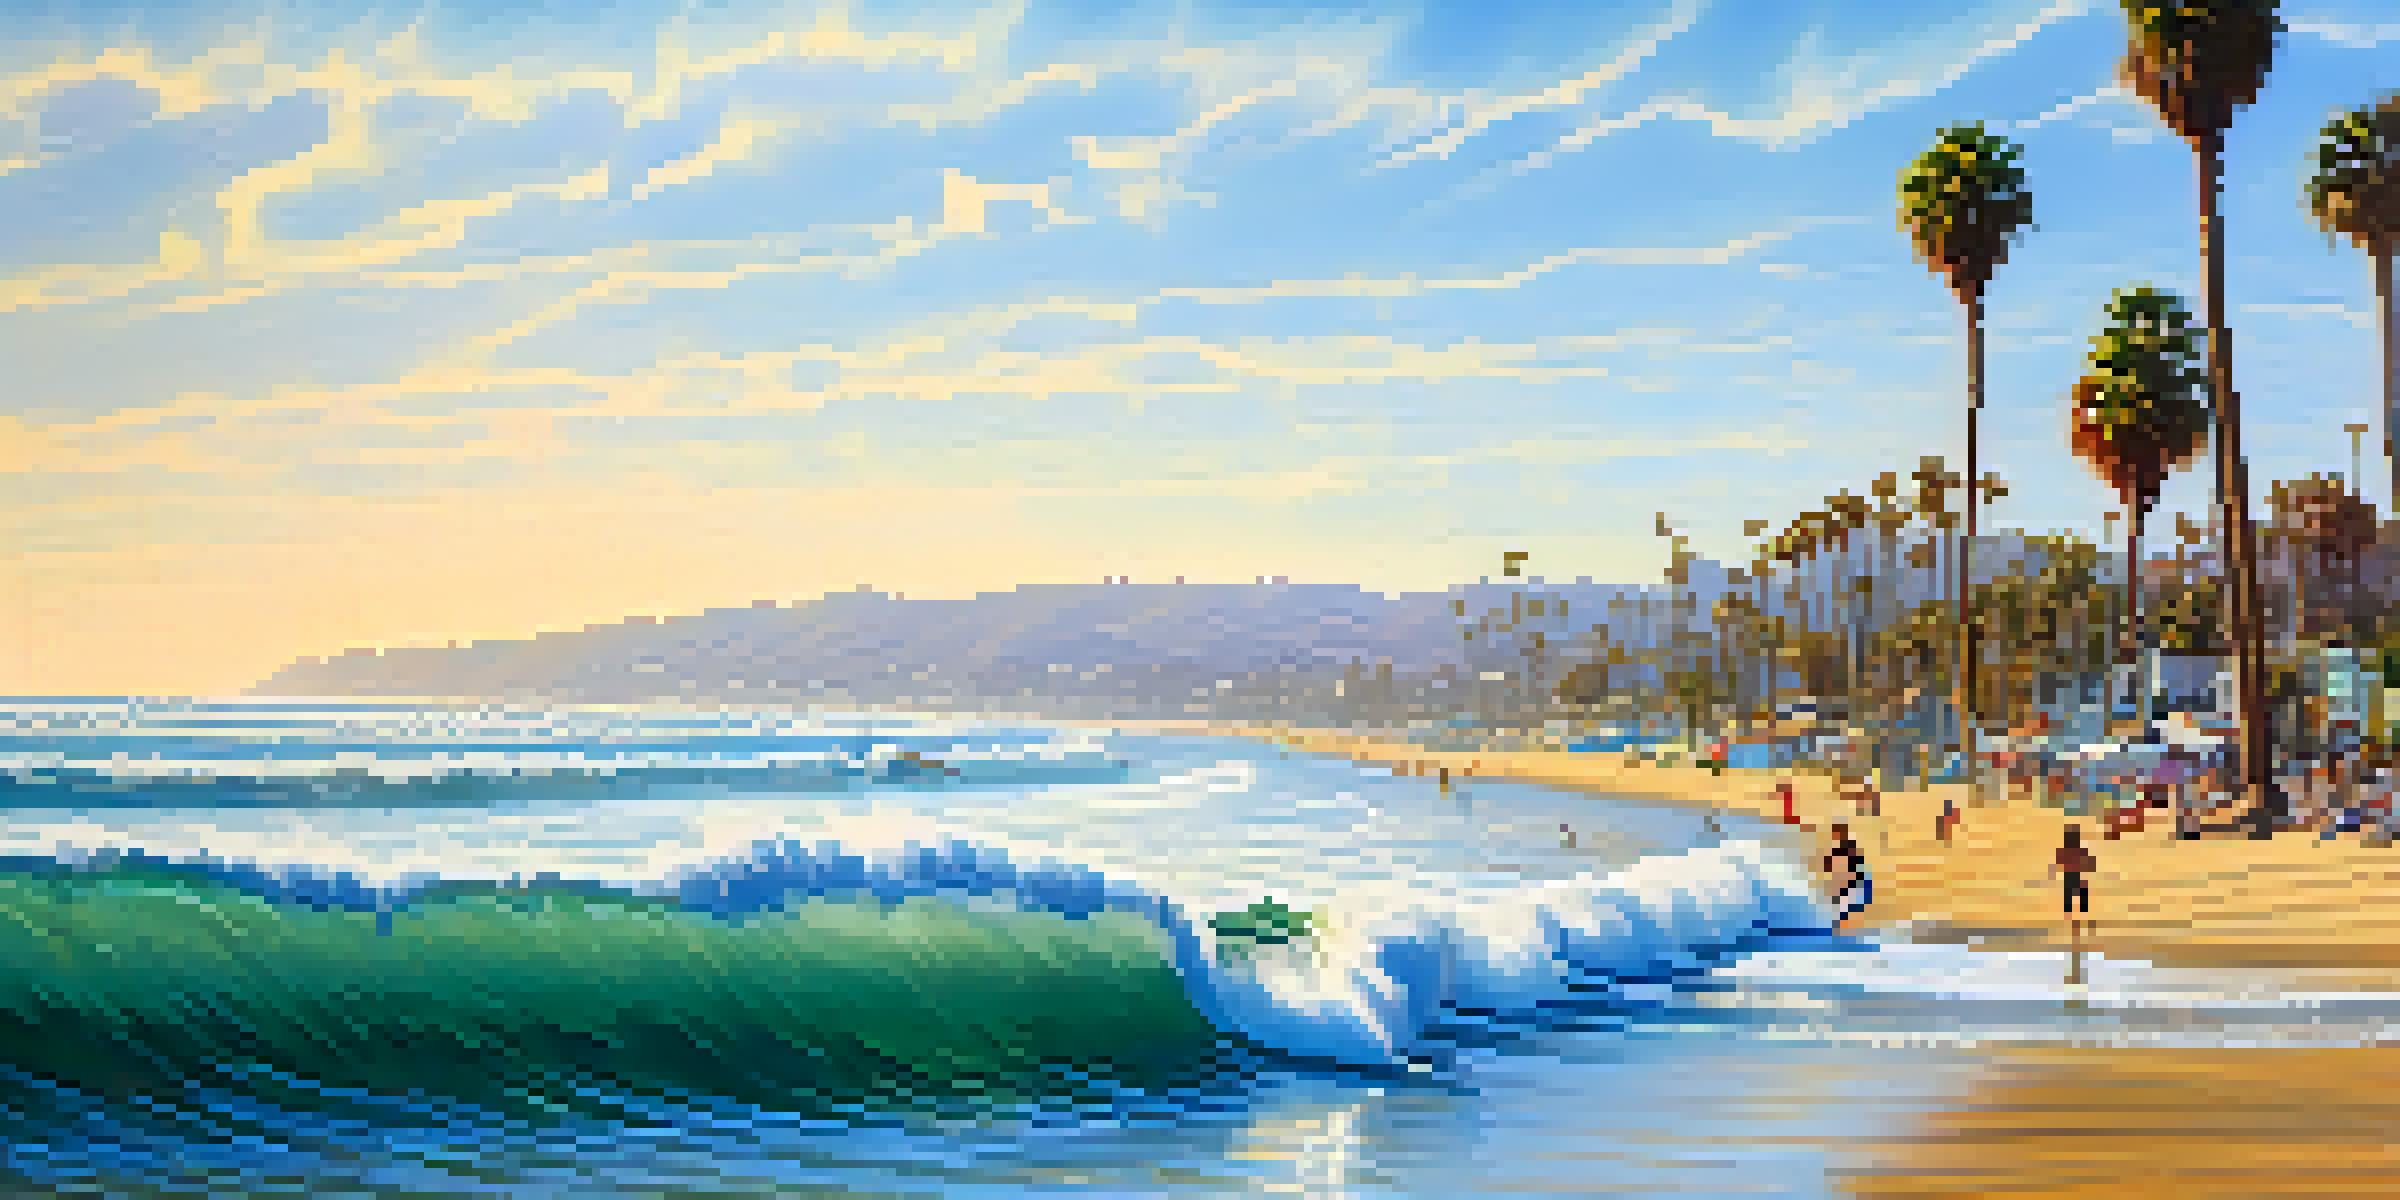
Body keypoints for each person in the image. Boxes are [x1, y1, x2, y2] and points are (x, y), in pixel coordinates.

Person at [2049, 824, 2097, 938]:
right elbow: (2091, 864)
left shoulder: (2072, 851)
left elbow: (2057, 864)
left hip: (2073, 877)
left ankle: (2074, 920)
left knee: (2072, 901)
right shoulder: (2080, 851)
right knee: (2077, 901)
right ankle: (2078, 920)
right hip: (2076, 877)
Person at [1823, 822, 1871, 929]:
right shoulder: (1836, 850)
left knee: (1846, 912)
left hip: (1851, 887)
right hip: (1846, 888)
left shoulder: (1849, 849)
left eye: (1836, 833)